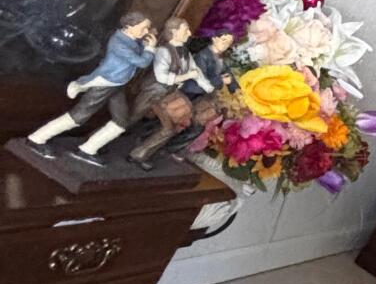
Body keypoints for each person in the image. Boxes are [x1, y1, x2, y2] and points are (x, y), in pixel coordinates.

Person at [26, 12, 155, 149]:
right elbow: (142, 62)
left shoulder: (132, 40)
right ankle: (37, 138)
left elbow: (139, 49)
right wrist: (150, 48)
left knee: (121, 122)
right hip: (106, 83)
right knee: (78, 116)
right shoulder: (119, 43)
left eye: (147, 28)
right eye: (143, 28)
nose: (146, 32)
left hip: (117, 85)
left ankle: (88, 149)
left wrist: (146, 44)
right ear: (129, 26)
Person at [77, 17, 199, 159]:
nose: (189, 33)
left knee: (133, 121)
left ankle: (103, 145)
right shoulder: (163, 51)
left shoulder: (184, 52)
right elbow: (161, 76)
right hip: (153, 92)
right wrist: (187, 76)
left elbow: (194, 71)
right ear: (174, 32)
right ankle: (93, 143)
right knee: (128, 119)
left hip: (164, 93)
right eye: (186, 30)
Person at [127, 30, 234, 167]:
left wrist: (232, 88)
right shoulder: (202, 56)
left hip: (192, 97)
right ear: (214, 38)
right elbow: (199, 80)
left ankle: (152, 148)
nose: (226, 44)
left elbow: (218, 80)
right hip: (180, 95)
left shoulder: (219, 60)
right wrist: (219, 81)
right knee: (169, 126)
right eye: (224, 40)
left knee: (183, 127)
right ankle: (140, 152)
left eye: (229, 42)